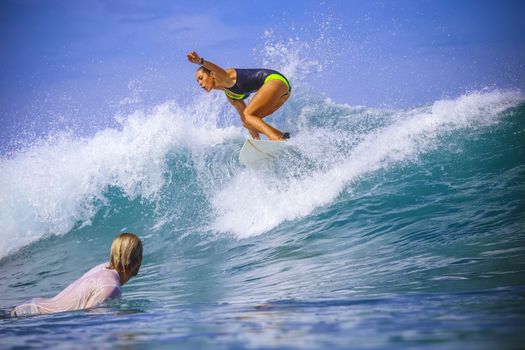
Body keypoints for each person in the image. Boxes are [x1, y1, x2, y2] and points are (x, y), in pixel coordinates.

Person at [11, 233, 143, 317]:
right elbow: (88, 320)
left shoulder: (103, 268)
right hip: (33, 317)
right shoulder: (112, 287)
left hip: (31, 308)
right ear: (137, 260)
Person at [187, 50, 291, 141]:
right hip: (283, 93)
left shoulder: (225, 77)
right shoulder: (230, 95)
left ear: (211, 74)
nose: (200, 83)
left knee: (248, 115)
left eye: (201, 78)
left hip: (275, 81)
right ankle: (282, 136)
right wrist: (256, 142)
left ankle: (275, 139)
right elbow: (247, 121)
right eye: (197, 82)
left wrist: (201, 61)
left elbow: (217, 70)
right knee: (247, 121)